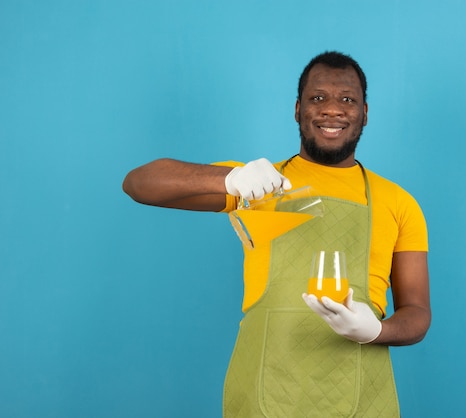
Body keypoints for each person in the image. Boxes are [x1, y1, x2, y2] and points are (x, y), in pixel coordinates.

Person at [123, 51, 430, 417]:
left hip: (363, 393)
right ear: (298, 109)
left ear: (364, 113)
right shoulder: (258, 184)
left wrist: (374, 331)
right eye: (318, 98)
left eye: (347, 99)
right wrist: (229, 179)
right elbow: (139, 184)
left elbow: (417, 313)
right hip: (265, 390)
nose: (332, 109)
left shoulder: (398, 202)